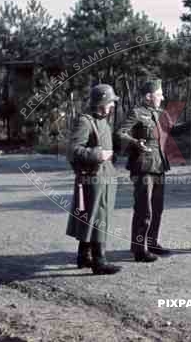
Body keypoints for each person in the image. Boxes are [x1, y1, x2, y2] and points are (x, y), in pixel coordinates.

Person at [116, 79, 191, 262]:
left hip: (159, 166)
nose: (162, 97)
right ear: (149, 96)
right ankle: (139, 249)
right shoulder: (136, 113)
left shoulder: (161, 113)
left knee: (157, 209)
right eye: (159, 94)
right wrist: (135, 143)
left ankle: (152, 243)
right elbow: (120, 133)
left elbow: (173, 131)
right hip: (142, 167)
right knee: (144, 209)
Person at [65, 84, 121, 274]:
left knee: (93, 217)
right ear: (101, 102)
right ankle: (99, 260)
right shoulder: (85, 121)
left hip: (104, 178)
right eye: (111, 102)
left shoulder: (104, 121)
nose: (112, 106)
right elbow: (73, 151)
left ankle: (84, 256)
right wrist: (99, 155)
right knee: (98, 218)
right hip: (93, 179)